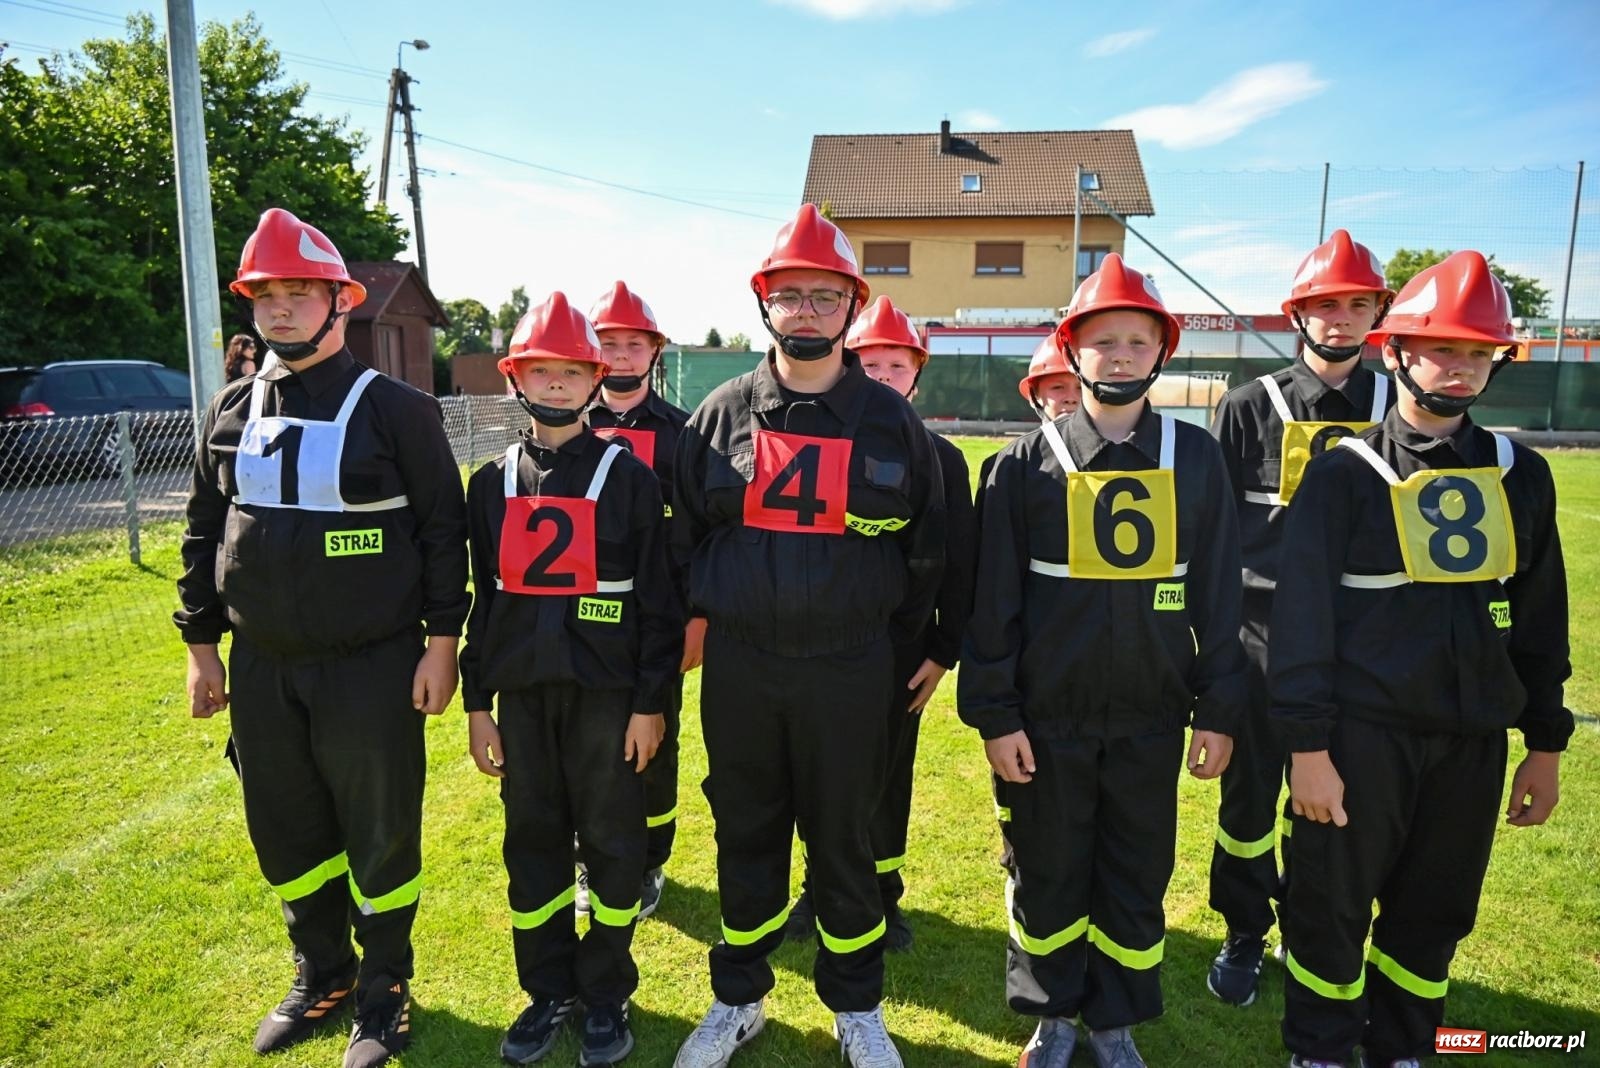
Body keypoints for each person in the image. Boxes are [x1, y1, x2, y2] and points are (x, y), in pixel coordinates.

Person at [174, 207, 469, 1068]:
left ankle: (384, 994)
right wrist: (201, 647)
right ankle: (324, 974)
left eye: (301, 291)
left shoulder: (400, 411)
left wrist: (442, 644)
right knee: (287, 831)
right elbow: (201, 530)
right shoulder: (232, 405)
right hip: (264, 669)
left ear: (341, 301)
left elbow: (445, 533)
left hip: (371, 667)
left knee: (379, 834)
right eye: (267, 293)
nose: (282, 307)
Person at [1270, 251, 1571, 1068]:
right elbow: (1298, 626)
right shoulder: (1342, 475)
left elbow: (1543, 620)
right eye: (1443, 348)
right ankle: (1322, 1050)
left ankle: (1404, 1048)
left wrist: (1543, 745)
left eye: (1480, 352)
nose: (1462, 368)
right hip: (1360, 744)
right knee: (1329, 907)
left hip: (1470, 747)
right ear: (1396, 350)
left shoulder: (1522, 474)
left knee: (1434, 913)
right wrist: (1307, 751)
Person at [671, 204, 945, 1068]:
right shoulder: (717, 414)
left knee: (845, 836)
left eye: (825, 298)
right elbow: (683, 544)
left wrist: (923, 646)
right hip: (745, 666)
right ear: (764, 304)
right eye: (789, 296)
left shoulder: (893, 422)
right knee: (745, 827)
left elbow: (930, 548)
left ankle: (856, 1007)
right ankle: (739, 997)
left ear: (852, 307)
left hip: (850, 666)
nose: (806, 313)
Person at [959, 254, 1244, 1068]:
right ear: (1071, 350)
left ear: (1162, 352)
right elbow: (993, 610)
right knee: (1047, 873)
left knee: (1134, 872)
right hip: (1047, 724)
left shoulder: (1196, 459)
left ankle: (1113, 1024)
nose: (1118, 355)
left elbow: (1219, 594)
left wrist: (1221, 707)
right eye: (1102, 341)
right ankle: (1051, 1018)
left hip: (1153, 719)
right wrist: (996, 717)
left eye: (1136, 341)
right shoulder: (1021, 465)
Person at [460, 292, 681, 1066]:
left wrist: (651, 705)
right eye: (541, 370)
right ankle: (547, 988)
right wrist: (478, 704)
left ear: (595, 379)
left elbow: (659, 603)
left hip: (606, 699)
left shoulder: (629, 479)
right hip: (522, 699)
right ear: (516, 376)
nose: (556, 384)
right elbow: (484, 601)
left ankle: (606, 991)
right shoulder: (489, 483)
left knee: (615, 844)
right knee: (533, 843)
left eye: (571, 372)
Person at [1204, 230, 1395, 1007]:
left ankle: (1312, 929)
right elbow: (1213, 539)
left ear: (1380, 312)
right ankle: (1245, 929)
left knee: (1335, 797)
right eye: (1325, 305)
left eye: (1357, 305)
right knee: (1249, 800)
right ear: (1298, 314)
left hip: (1366, 644)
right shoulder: (1250, 406)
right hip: (1264, 635)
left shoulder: (1398, 402)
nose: (1341, 319)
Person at [782, 296, 974, 954]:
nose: (885, 374)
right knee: (821, 771)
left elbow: (957, 565)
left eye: (898, 363)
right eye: (872, 362)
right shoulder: (815, 446)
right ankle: (819, 886)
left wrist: (943, 651)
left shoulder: (942, 460)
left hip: (902, 656)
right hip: (829, 651)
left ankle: (883, 896)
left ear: (917, 374)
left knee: (887, 776)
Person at [580, 281, 694, 921]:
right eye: (607, 343)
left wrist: (697, 617)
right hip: (577, 619)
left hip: (658, 620)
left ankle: (650, 860)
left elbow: (701, 532)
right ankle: (587, 856)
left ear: (655, 351)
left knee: (657, 740)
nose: (620, 356)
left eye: (633, 344)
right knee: (587, 741)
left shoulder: (685, 433)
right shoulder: (563, 424)